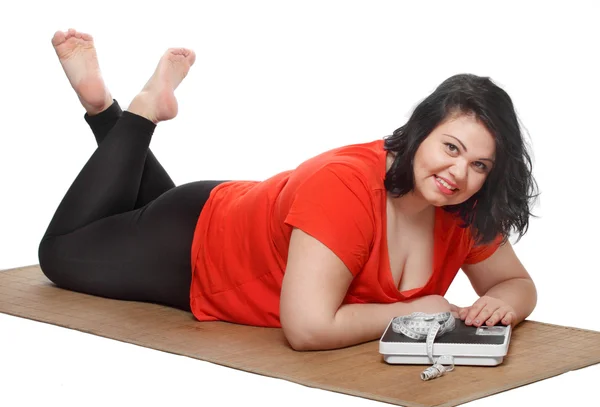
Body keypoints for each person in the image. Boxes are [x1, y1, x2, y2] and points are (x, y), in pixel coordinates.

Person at [39, 29, 539, 351]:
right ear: (419, 131)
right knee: (60, 254)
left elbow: (517, 285)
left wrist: (504, 306)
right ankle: (138, 110)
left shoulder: (462, 203)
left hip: (239, 210)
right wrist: (410, 311)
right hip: (198, 246)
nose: (459, 173)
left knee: (136, 209)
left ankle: (108, 111)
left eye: (479, 165)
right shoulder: (347, 186)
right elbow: (306, 329)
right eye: (450, 148)